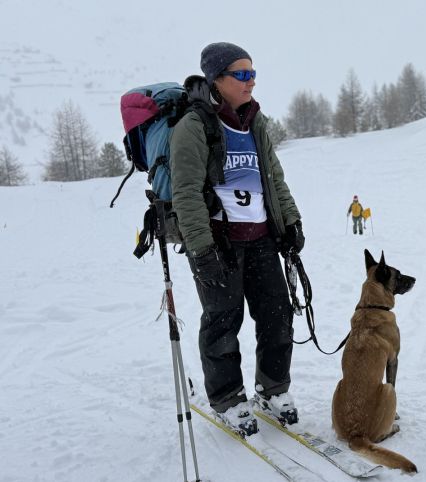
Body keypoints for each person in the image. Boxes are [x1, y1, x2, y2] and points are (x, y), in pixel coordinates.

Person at [170, 42, 305, 436]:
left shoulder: (255, 121)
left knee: (277, 315)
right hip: (218, 243)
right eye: (241, 74)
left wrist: (291, 222)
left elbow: (273, 177)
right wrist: (201, 248)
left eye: (253, 73)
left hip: (262, 237)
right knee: (223, 321)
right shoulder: (194, 127)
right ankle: (229, 398)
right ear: (217, 79)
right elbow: (186, 193)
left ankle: (272, 388)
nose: (251, 81)